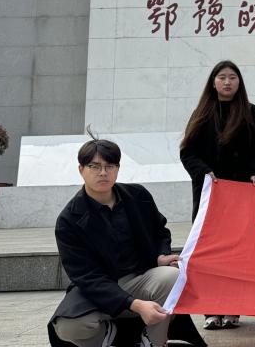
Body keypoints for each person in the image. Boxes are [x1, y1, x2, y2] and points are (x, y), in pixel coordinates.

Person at [48, 133, 204, 347]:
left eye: (110, 166)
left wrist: (160, 256)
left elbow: (160, 230)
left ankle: (154, 341)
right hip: (99, 287)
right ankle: (107, 337)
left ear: (118, 168)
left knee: (174, 276)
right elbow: (86, 277)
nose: (103, 172)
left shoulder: (137, 196)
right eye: (94, 166)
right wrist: (136, 305)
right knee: (68, 326)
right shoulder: (69, 220)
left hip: (140, 277)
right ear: (81, 169)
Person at [179, 60, 255, 331]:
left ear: (239, 82)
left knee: (237, 253)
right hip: (211, 195)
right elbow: (187, 151)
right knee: (211, 253)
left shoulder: (250, 112)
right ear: (213, 82)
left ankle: (233, 309)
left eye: (232, 77)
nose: (227, 82)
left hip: (240, 194)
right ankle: (211, 310)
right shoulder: (202, 112)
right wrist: (204, 171)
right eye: (222, 77)